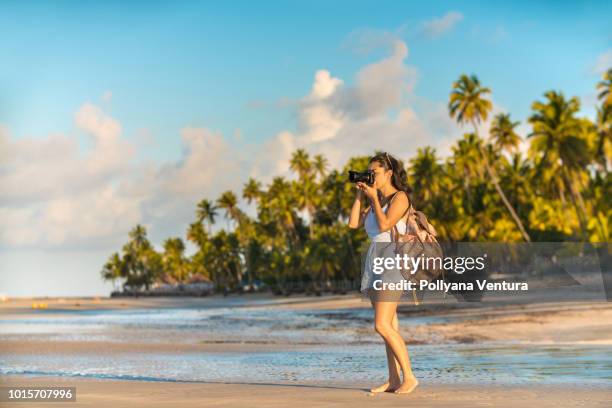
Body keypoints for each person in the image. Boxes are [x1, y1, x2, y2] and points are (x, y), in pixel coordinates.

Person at [348, 152, 419, 395]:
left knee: (381, 325)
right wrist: (361, 194)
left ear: (388, 173)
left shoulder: (400, 198)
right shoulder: (372, 201)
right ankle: (393, 379)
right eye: (369, 173)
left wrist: (375, 200)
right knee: (390, 325)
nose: (371, 177)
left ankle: (409, 376)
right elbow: (353, 223)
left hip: (392, 262)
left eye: (374, 173)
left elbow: (387, 224)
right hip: (374, 262)